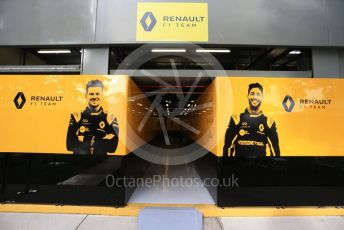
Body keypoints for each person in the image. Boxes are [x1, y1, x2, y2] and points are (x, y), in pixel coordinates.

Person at [223, 83, 280, 157]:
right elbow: (227, 146)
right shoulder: (236, 119)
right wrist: (227, 165)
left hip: (261, 166)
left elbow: (275, 149)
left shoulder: (269, 122)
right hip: (239, 166)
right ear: (247, 96)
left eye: (258, 94)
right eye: (252, 94)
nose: (255, 97)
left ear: (262, 97)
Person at [66, 80, 119, 155]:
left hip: (101, 163)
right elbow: (69, 145)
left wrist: (82, 139)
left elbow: (112, 148)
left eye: (97, 94)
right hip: (80, 161)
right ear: (86, 95)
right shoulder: (77, 116)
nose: (94, 97)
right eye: (91, 94)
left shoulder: (110, 118)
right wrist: (101, 138)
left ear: (102, 95)